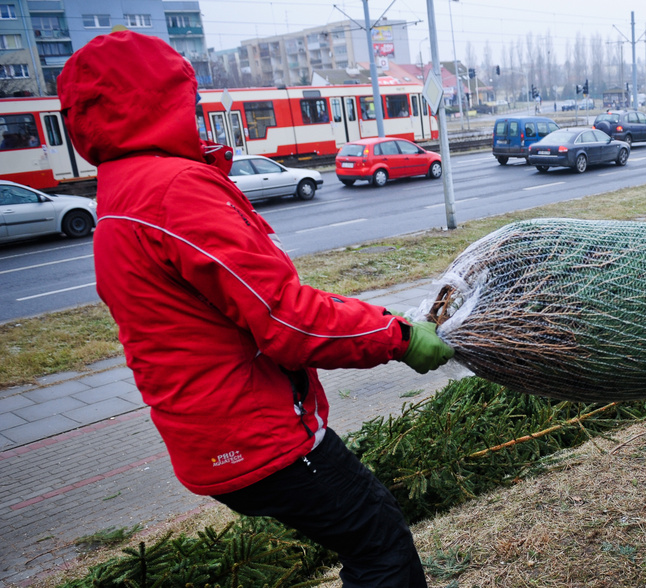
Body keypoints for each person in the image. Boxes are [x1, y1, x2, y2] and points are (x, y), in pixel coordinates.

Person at [57, 31, 454, 587]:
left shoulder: (118, 195)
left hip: (209, 441)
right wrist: (399, 337)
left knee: (365, 537)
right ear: (159, 100)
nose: (197, 113)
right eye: (188, 98)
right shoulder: (174, 189)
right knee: (379, 541)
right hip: (257, 434)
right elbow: (289, 319)